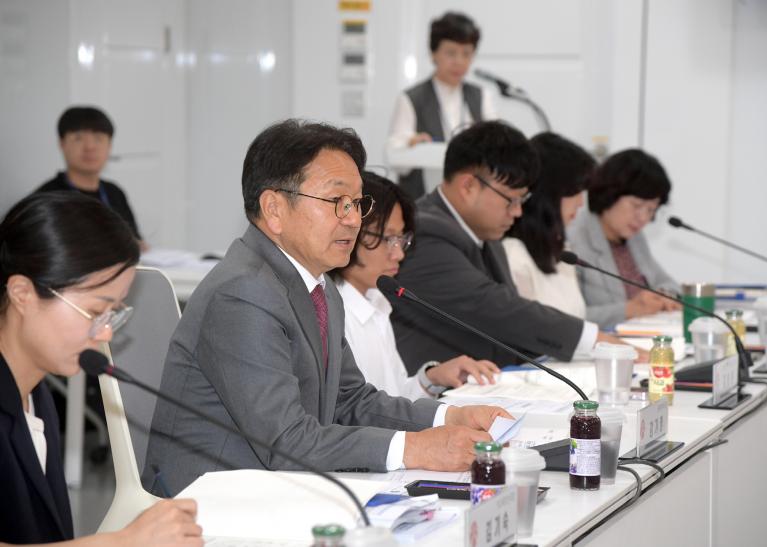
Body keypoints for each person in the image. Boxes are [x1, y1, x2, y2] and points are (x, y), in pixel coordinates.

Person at [143, 120, 510, 496]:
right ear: (274, 209)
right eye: (337, 202)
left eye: (357, 203)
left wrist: (450, 416)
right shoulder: (242, 292)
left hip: (277, 488)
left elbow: (349, 400)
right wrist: (414, 448)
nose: (353, 219)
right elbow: (285, 442)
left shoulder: (317, 285)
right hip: (211, 500)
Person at [0, 192, 201, 545]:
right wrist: (121, 542)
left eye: (113, 314)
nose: (106, 333)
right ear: (22, 293)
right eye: (94, 312)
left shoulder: (36, 395)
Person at [390, 120, 637, 376]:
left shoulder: (485, 232)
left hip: (487, 385)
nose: (518, 212)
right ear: (468, 186)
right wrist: (593, 340)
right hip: (434, 394)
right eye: (511, 200)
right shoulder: (425, 232)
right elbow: (497, 308)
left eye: (522, 200)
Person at [331, 171, 500, 399]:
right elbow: (362, 412)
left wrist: (432, 379)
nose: (399, 254)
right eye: (388, 238)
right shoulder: (334, 316)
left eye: (401, 240)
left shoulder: (376, 301)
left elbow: (393, 396)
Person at [387, 11, 497, 199]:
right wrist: (412, 144)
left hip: (469, 200)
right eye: (451, 53)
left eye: (466, 54)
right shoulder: (411, 98)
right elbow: (395, 159)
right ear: (433, 54)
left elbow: (496, 150)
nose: (459, 61)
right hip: (423, 201)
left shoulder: (482, 96)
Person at [567, 149, 680, 329]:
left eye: (651, 209)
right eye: (637, 205)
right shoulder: (573, 240)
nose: (643, 218)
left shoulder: (634, 238)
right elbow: (565, 317)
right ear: (611, 194)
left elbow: (667, 283)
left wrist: (664, 296)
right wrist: (629, 310)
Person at [503, 132, 595, 318]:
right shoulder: (513, 255)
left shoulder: (561, 250)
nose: (580, 203)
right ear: (547, 192)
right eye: (575, 191)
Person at [34, 106, 147, 251]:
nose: (90, 147)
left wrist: (138, 245)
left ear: (110, 146)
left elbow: (135, 242)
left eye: (98, 138)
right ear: (62, 144)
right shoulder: (45, 199)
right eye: (78, 138)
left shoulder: (115, 193)